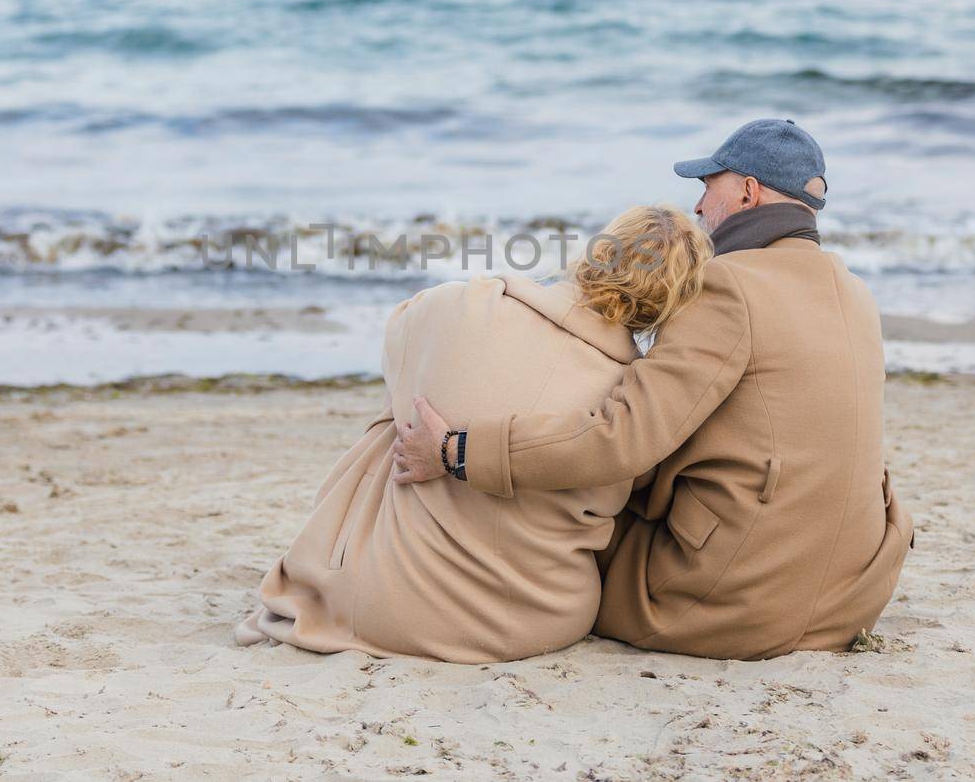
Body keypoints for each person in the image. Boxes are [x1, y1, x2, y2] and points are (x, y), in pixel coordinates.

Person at [392, 119, 915, 661]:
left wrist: (459, 451)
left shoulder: (727, 285)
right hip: (850, 597)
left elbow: (622, 441)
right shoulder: (854, 293)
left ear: (747, 191)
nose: (697, 208)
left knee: (570, 507)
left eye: (707, 186)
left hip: (736, 606)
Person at [236, 206, 713, 663]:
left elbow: (396, 342)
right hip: (537, 619)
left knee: (402, 414)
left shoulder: (463, 304)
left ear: (597, 252)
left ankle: (358, 561)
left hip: (385, 606)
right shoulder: (632, 404)